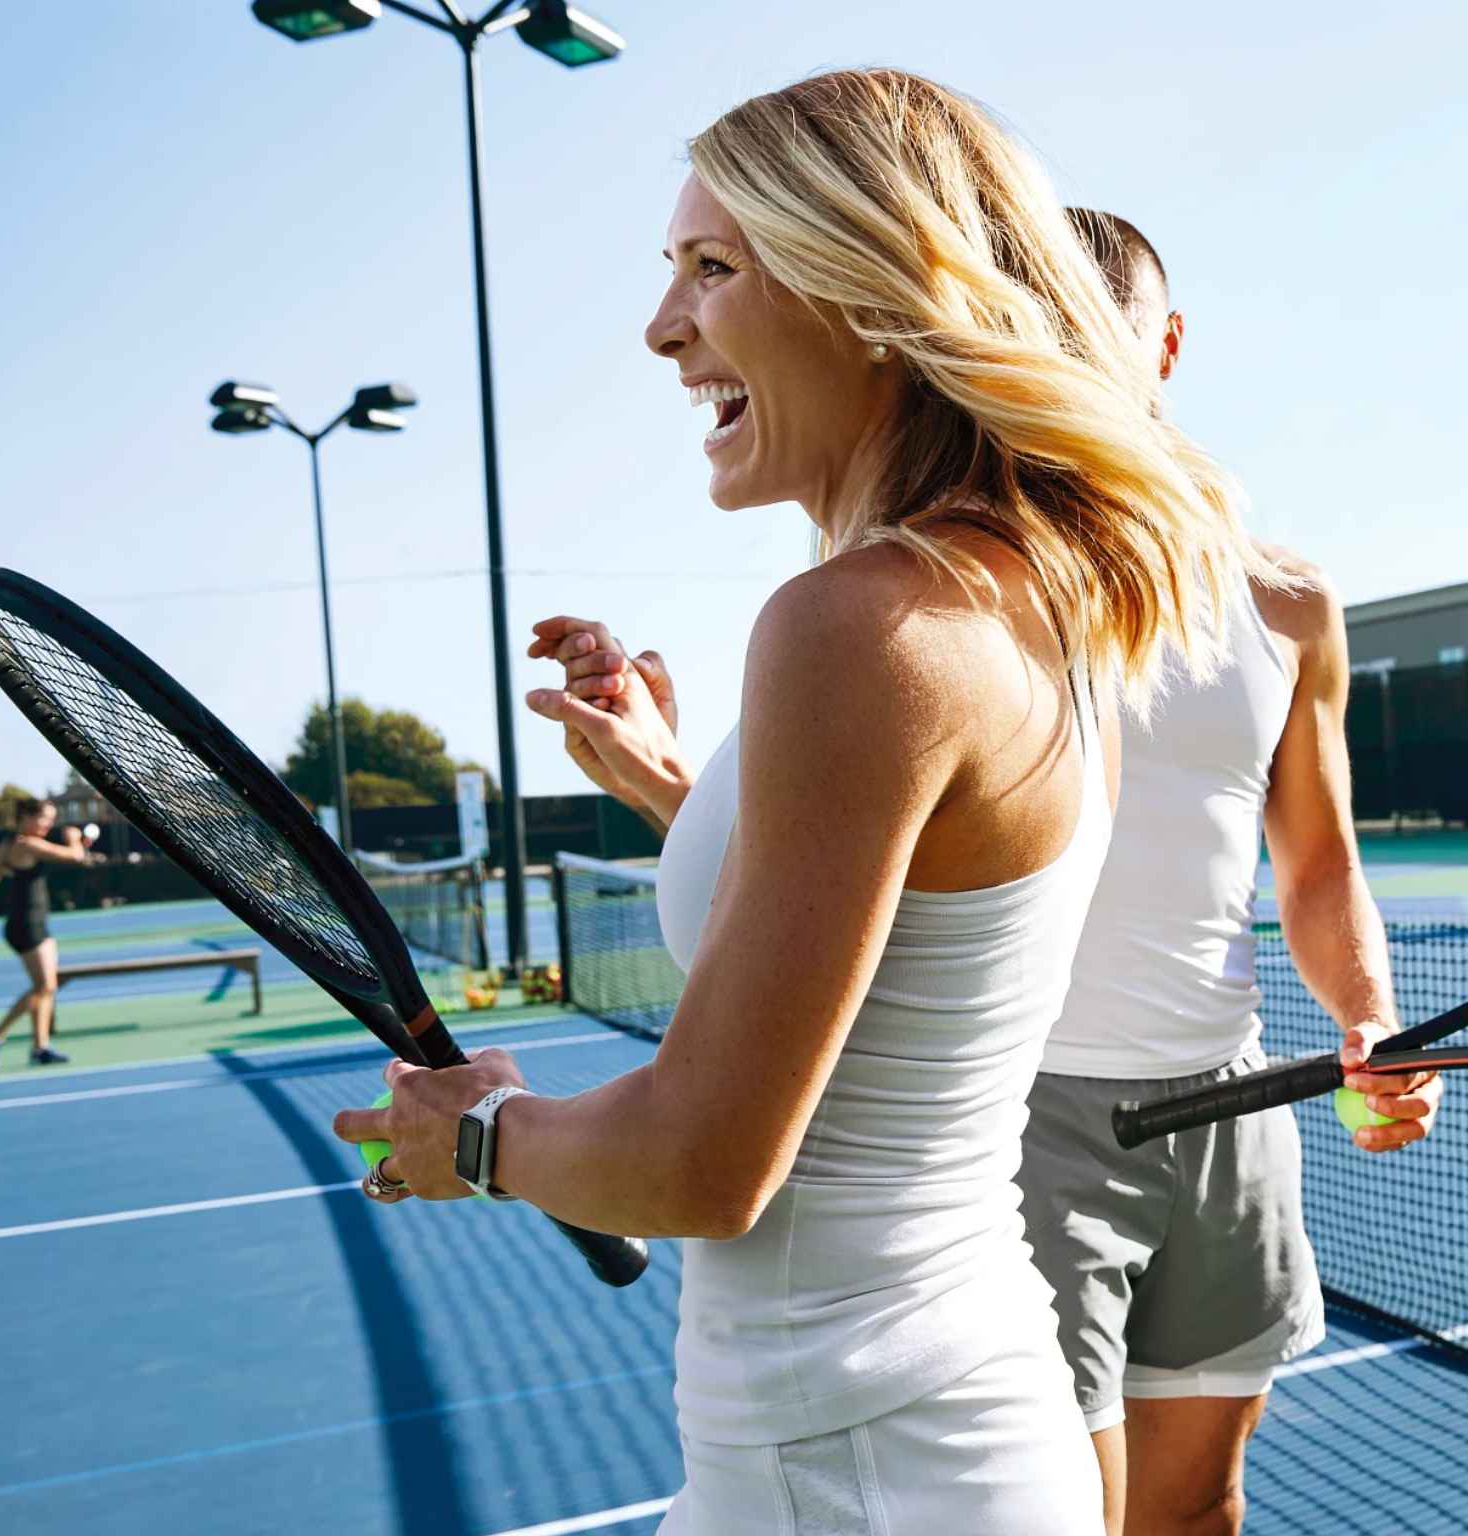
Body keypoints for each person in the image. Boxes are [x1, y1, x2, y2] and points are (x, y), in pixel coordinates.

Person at [334, 70, 1259, 1533]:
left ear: (873, 290)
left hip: (859, 1472)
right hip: (900, 1438)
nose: (663, 327)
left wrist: (483, 1141)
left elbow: (707, 1161)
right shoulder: (1012, 599)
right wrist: (674, 791)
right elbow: (906, 940)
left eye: (715, 266)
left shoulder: (860, 621)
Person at [1011, 210, 1445, 1536]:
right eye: (1036, 324)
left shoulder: (1285, 603)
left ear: (1168, 346)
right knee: (1045, 1516)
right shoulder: (962, 579)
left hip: (1232, 1112)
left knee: (1195, 1513)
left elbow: (1315, 865)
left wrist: (1366, 1017)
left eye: (1102, 327)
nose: (1069, 354)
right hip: (1013, 1125)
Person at [0, 798, 98, 1070]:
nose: (49, 824)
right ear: (25, 817)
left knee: (48, 987)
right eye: (44, 818)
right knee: (44, 987)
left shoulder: (10, 843)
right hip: (26, 926)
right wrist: (74, 840)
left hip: (36, 923)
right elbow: (74, 857)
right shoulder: (27, 844)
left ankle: (40, 1047)